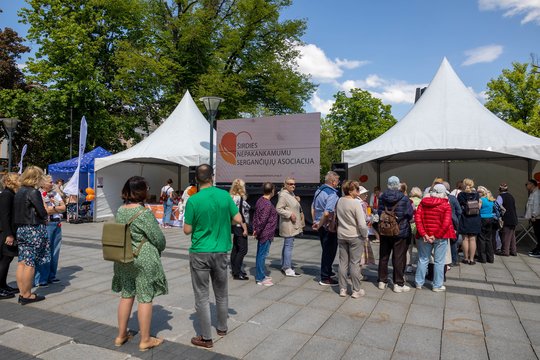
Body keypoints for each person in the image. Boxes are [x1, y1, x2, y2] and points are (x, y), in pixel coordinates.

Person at [183, 164, 242, 349]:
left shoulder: (194, 200)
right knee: (221, 293)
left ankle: (206, 337)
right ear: (212, 176)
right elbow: (238, 219)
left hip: (200, 251)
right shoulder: (224, 195)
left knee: (202, 295)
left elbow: (187, 230)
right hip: (221, 250)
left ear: (197, 180)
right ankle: (222, 328)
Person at [113, 176, 167, 351]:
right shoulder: (144, 213)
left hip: (124, 256)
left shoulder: (120, 210)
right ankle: (145, 340)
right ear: (142, 191)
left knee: (127, 294)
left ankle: (121, 335)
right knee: (145, 297)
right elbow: (158, 239)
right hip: (143, 258)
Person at [13, 166, 49, 304]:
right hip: (33, 229)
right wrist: (45, 214)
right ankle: (27, 294)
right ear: (36, 177)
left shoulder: (19, 191)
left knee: (22, 262)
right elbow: (42, 212)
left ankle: (22, 293)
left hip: (21, 229)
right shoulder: (33, 192)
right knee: (30, 263)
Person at [414, 184, 454, 292]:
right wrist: (435, 235)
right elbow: (446, 224)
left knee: (423, 259)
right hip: (440, 236)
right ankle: (437, 285)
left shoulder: (423, 202)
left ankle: (418, 283)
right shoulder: (446, 205)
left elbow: (418, 220)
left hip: (425, 237)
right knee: (439, 261)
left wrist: (424, 234)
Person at [377, 175, 413, 293]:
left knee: (383, 256)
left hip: (385, 230)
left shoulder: (382, 197)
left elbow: (379, 211)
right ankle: (398, 284)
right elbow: (409, 214)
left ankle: (382, 281)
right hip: (400, 231)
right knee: (398, 257)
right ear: (398, 185)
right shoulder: (404, 198)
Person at [336, 180, 369, 298]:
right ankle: (356, 290)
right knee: (355, 263)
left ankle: (342, 289)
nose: (358, 191)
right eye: (357, 189)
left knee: (342, 263)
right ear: (350, 191)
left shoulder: (339, 200)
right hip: (354, 236)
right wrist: (365, 235)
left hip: (341, 235)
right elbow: (361, 224)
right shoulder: (356, 203)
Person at [34, 175, 66, 287]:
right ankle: (41, 278)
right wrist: (57, 207)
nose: (52, 184)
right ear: (42, 183)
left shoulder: (54, 193)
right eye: (50, 182)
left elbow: (64, 207)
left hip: (57, 223)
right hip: (46, 224)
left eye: (52, 182)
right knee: (44, 251)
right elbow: (45, 210)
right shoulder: (38, 193)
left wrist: (55, 208)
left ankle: (51, 276)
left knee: (55, 251)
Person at [312, 171, 340, 286]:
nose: (338, 183)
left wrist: (315, 221)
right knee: (329, 251)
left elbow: (313, 206)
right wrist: (320, 224)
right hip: (328, 226)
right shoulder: (332, 194)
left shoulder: (319, 190)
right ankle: (325, 277)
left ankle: (327, 271)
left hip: (320, 224)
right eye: (337, 181)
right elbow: (327, 213)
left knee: (326, 250)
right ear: (333, 182)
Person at [252, 182, 278, 286]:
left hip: (263, 232)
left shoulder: (260, 200)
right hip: (265, 233)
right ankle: (260, 278)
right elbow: (262, 220)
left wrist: (255, 229)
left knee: (261, 254)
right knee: (262, 255)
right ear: (272, 191)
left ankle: (261, 274)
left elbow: (255, 216)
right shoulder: (267, 204)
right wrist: (257, 230)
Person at [276, 177, 303, 277]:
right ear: (285, 184)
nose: (293, 185)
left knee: (287, 245)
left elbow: (291, 205)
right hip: (288, 225)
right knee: (288, 245)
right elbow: (278, 209)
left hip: (292, 224)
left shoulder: (290, 194)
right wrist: (289, 214)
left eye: (294, 184)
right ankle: (287, 268)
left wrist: (297, 200)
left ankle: (284, 265)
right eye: (290, 184)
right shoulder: (283, 195)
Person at [0, 173, 20, 299]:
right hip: (5, 233)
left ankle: (3, 285)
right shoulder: (7, 195)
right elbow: (5, 216)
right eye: (18, 179)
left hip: (8, 232)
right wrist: (9, 234)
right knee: (4, 259)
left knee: (7, 259)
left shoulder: (10, 193)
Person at [229, 178, 251, 280]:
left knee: (236, 248)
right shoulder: (241, 199)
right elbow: (242, 215)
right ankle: (237, 272)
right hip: (240, 226)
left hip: (233, 225)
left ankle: (235, 269)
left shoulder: (231, 197)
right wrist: (245, 229)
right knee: (243, 250)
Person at [457, 178, 481, 265]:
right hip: (474, 218)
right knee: (473, 239)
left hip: (465, 217)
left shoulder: (460, 195)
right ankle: (472, 259)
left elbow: (459, 207)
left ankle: (466, 258)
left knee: (465, 239)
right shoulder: (477, 195)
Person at [496, 183, 518, 256]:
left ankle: (505, 251)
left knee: (506, 236)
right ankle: (513, 251)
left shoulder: (500, 196)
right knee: (512, 236)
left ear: (499, 189)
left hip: (507, 218)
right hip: (514, 218)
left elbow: (497, 205)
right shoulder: (511, 196)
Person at [443, 181, 462, 266]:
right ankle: (453, 260)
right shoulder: (453, 198)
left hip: (442, 222)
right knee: (453, 241)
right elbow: (459, 211)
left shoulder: (436, 198)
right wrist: (457, 220)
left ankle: (445, 260)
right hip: (452, 221)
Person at [406, 186, 423, 273]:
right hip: (418, 226)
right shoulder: (421, 201)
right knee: (420, 247)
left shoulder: (408, 201)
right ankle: (420, 265)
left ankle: (409, 265)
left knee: (409, 247)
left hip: (409, 225)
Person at [476, 186, 495, 263]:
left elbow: (478, 209)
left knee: (481, 239)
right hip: (490, 218)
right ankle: (490, 258)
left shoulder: (481, 200)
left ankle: (482, 258)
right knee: (489, 238)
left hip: (482, 218)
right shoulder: (491, 199)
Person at [525, 179, 540, 257]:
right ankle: (538, 248)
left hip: (537, 218)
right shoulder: (533, 193)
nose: (526, 186)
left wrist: (534, 215)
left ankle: (539, 251)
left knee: (538, 234)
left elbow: (537, 206)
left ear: (532, 184)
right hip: (534, 218)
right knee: (537, 234)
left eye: (527, 184)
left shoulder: (537, 193)